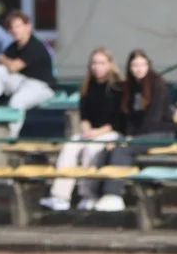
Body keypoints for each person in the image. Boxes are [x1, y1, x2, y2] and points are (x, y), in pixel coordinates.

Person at [40, 48, 125, 211]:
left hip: (110, 132)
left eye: (101, 63)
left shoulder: (118, 87)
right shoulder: (88, 87)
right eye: (94, 63)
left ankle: (88, 194)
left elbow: (118, 119)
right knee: (70, 146)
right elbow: (84, 115)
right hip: (91, 130)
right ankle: (60, 196)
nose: (97, 67)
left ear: (110, 64)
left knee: (92, 148)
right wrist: (86, 130)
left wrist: (97, 133)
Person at [92, 50, 176, 212]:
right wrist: (125, 136)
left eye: (142, 65)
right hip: (140, 135)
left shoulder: (156, 84)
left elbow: (154, 117)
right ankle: (95, 194)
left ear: (148, 66)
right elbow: (129, 118)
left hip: (161, 132)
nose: (138, 69)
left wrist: (130, 139)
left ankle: (113, 195)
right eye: (134, 65)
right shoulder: (130, 88)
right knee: (108, 148)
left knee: (123, 149)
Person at [0, 11, 56, 137]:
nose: (15, 30)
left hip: (42, 87)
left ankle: (10, 137)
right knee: (0, 71)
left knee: (16, 102)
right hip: (23, 83)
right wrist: (4, 61)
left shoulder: (34, 45)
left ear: (28, 26)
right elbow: (4, 66)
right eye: (12, 28)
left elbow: (13, 66)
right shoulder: (14, 46)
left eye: (18, 26)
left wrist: (3, 59)